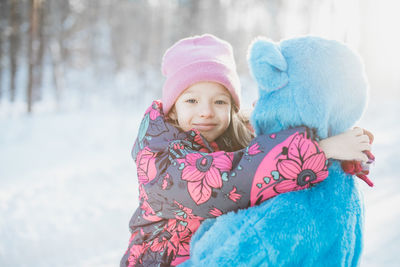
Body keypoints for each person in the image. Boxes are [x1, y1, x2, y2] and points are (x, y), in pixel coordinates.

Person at [120, 34, 372, 267]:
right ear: (172, 108)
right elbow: (226, 181)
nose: (206, 111)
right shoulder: (159, 157)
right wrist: (321, 150)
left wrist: (337, 138)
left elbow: (266, 149)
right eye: (192, 100)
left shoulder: (230, 135)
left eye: (219, 101)